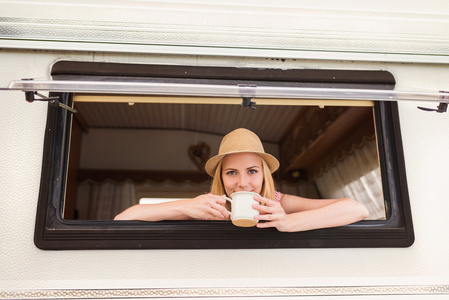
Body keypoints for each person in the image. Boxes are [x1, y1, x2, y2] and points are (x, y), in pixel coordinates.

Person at [114, 128, 369, 232]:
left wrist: (288, 221)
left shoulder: (277, 204)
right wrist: (185, 206)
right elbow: (122, 218)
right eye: (232, 172)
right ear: (221, 178)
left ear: (264, 174)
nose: (243, 183)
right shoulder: (208, 207)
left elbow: (357, 208)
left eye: (252, 171)